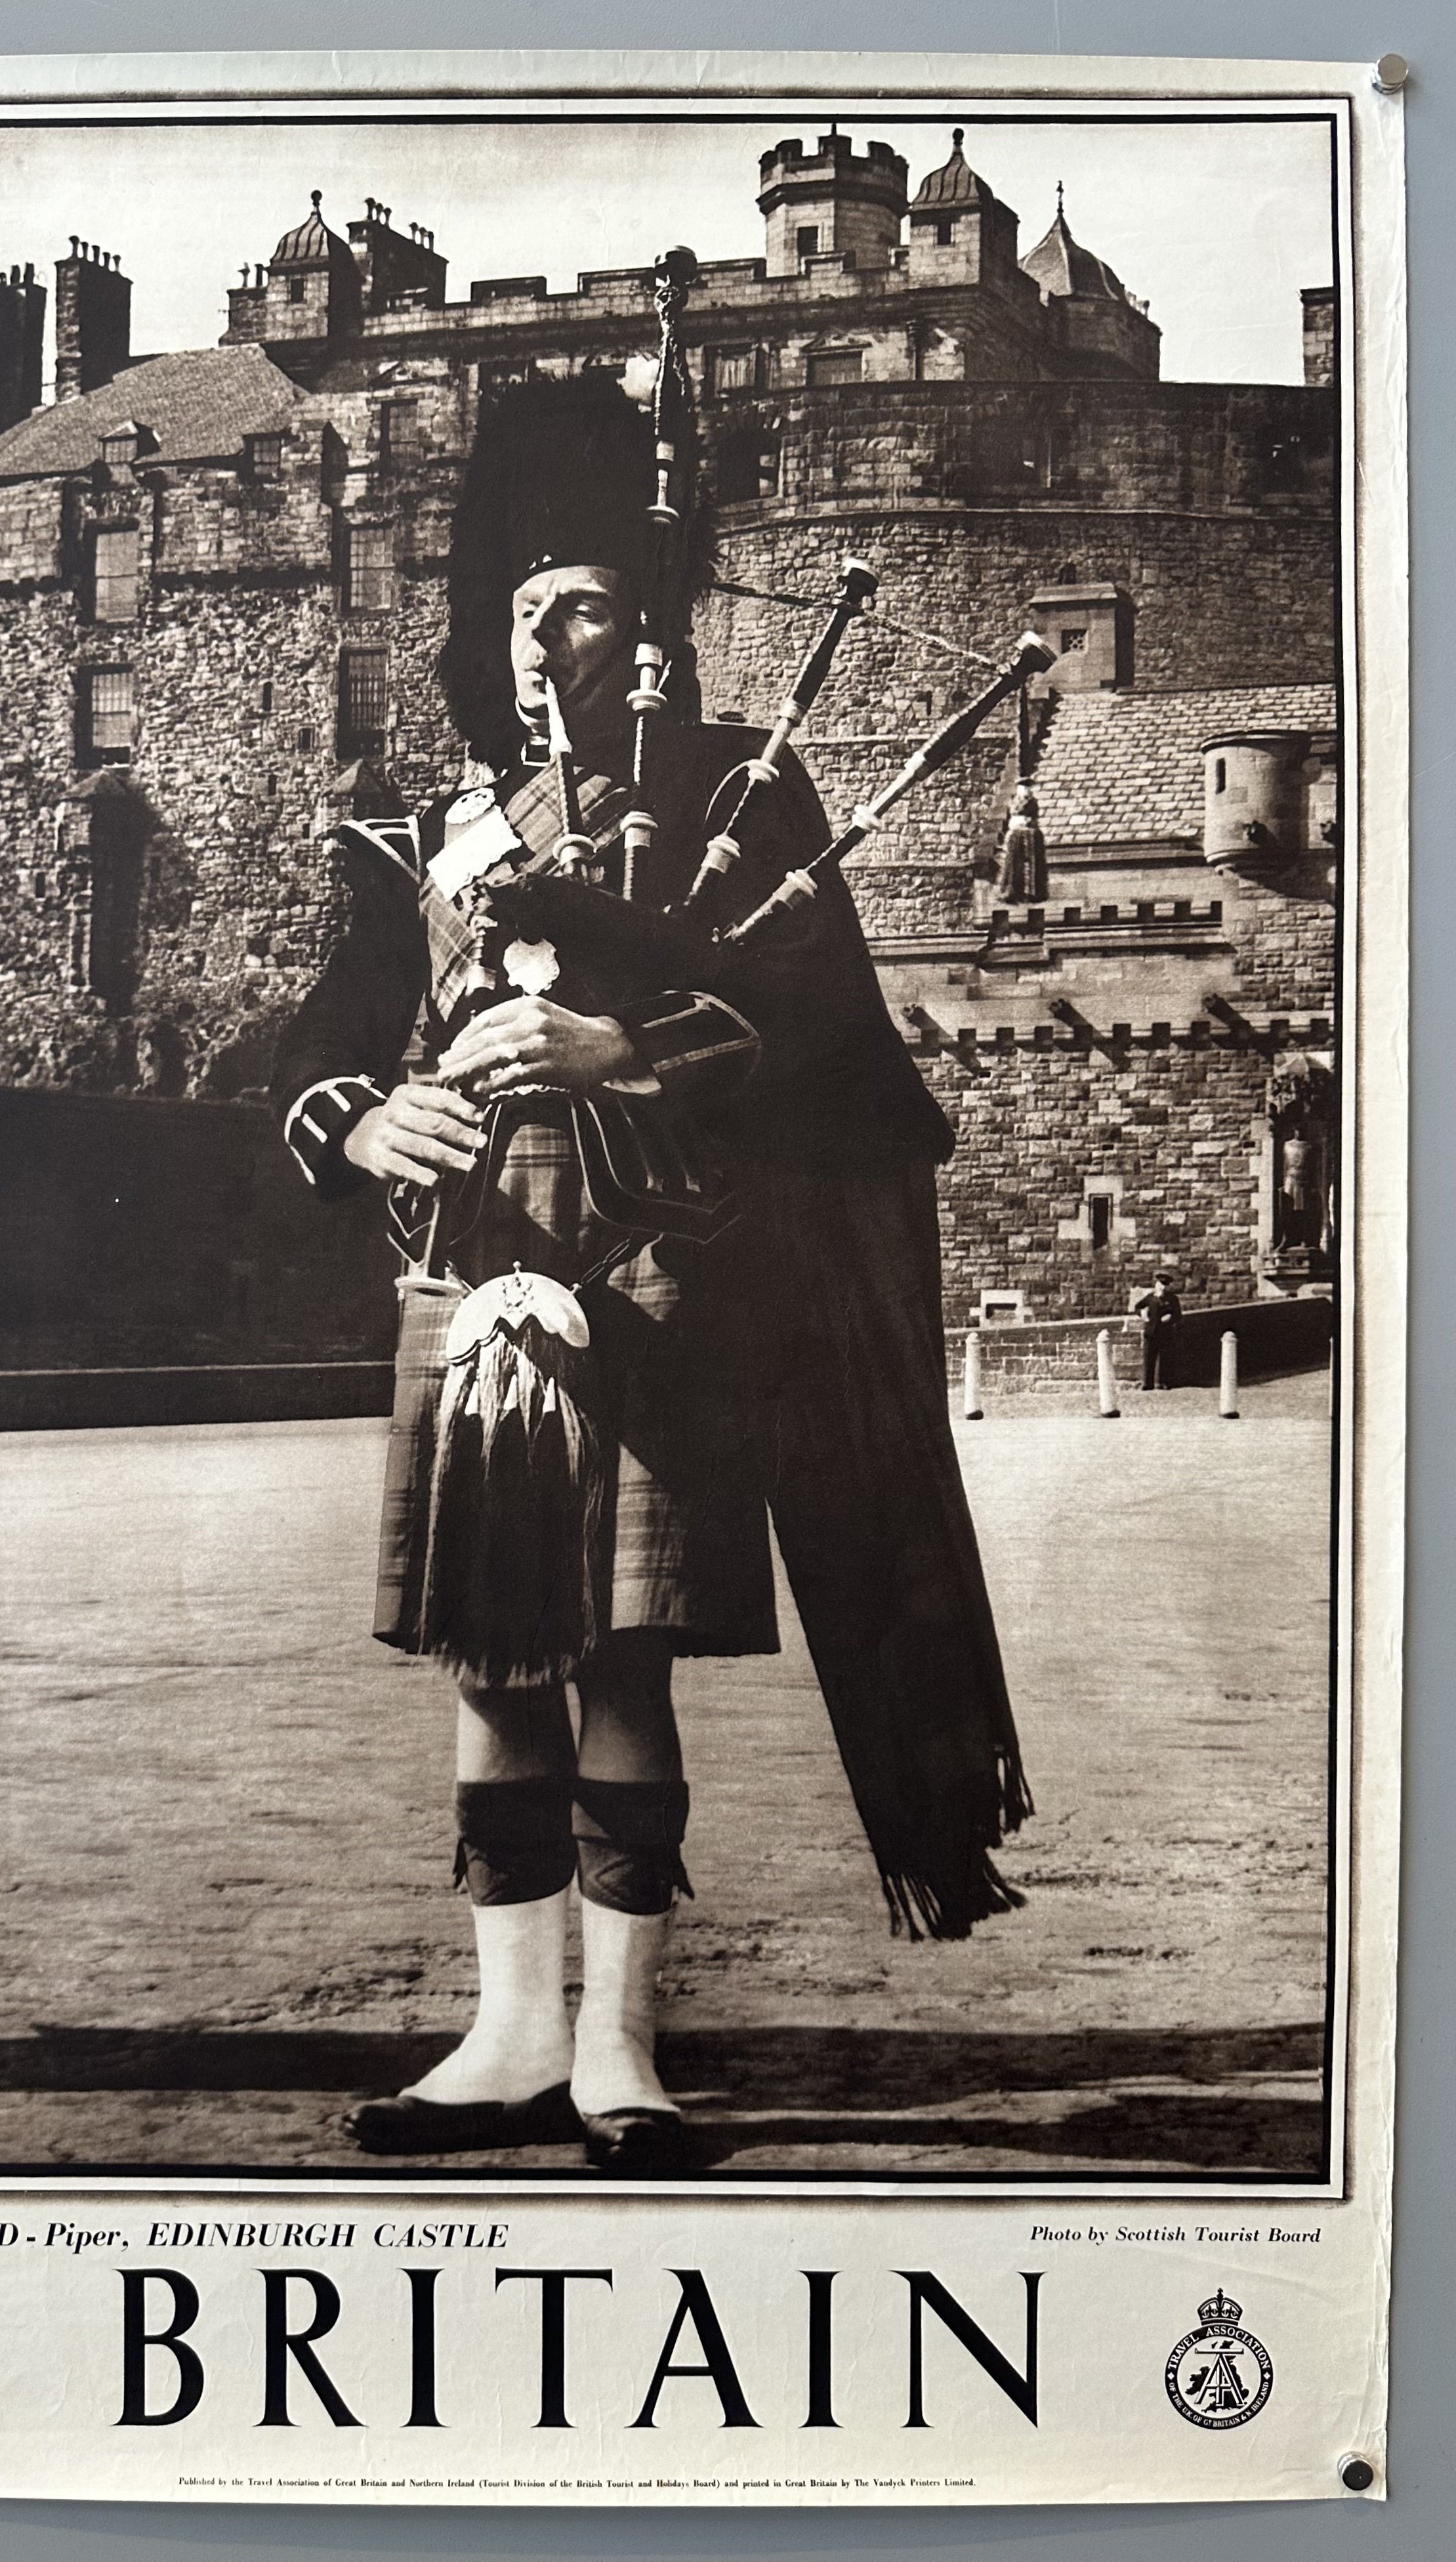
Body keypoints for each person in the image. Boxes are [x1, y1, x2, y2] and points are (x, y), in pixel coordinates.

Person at [272, 371, 1028, 2170]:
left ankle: (618, 2048)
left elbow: (816, 1031)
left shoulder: (743, 791)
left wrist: (625, 1053)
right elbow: (325, 1034)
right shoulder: (426, 819)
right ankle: (503, 2035)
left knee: (616, 1658)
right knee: (487, 1658)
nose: (546, 636)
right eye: (517, 604)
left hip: (654, 1269)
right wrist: (359, 1121)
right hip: (464, 1278)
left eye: (583, 598)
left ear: (645, 621)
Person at [1140, 1272, 1184, 1390]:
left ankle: (1162, 1382)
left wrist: (1171, 1317)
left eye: (1166, 1285)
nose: (1163, 1287)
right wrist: (1142, 1313)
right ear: (1156, 1285)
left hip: (1165, 1332)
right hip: (1150, 1332)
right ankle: (1147, 1383)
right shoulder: (1150, 1297)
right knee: (1149, 1358)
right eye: (1161, 1284)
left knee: (1165, 1358)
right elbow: (1138, 1306)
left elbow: (1179, 1316)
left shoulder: (1173, 1299)